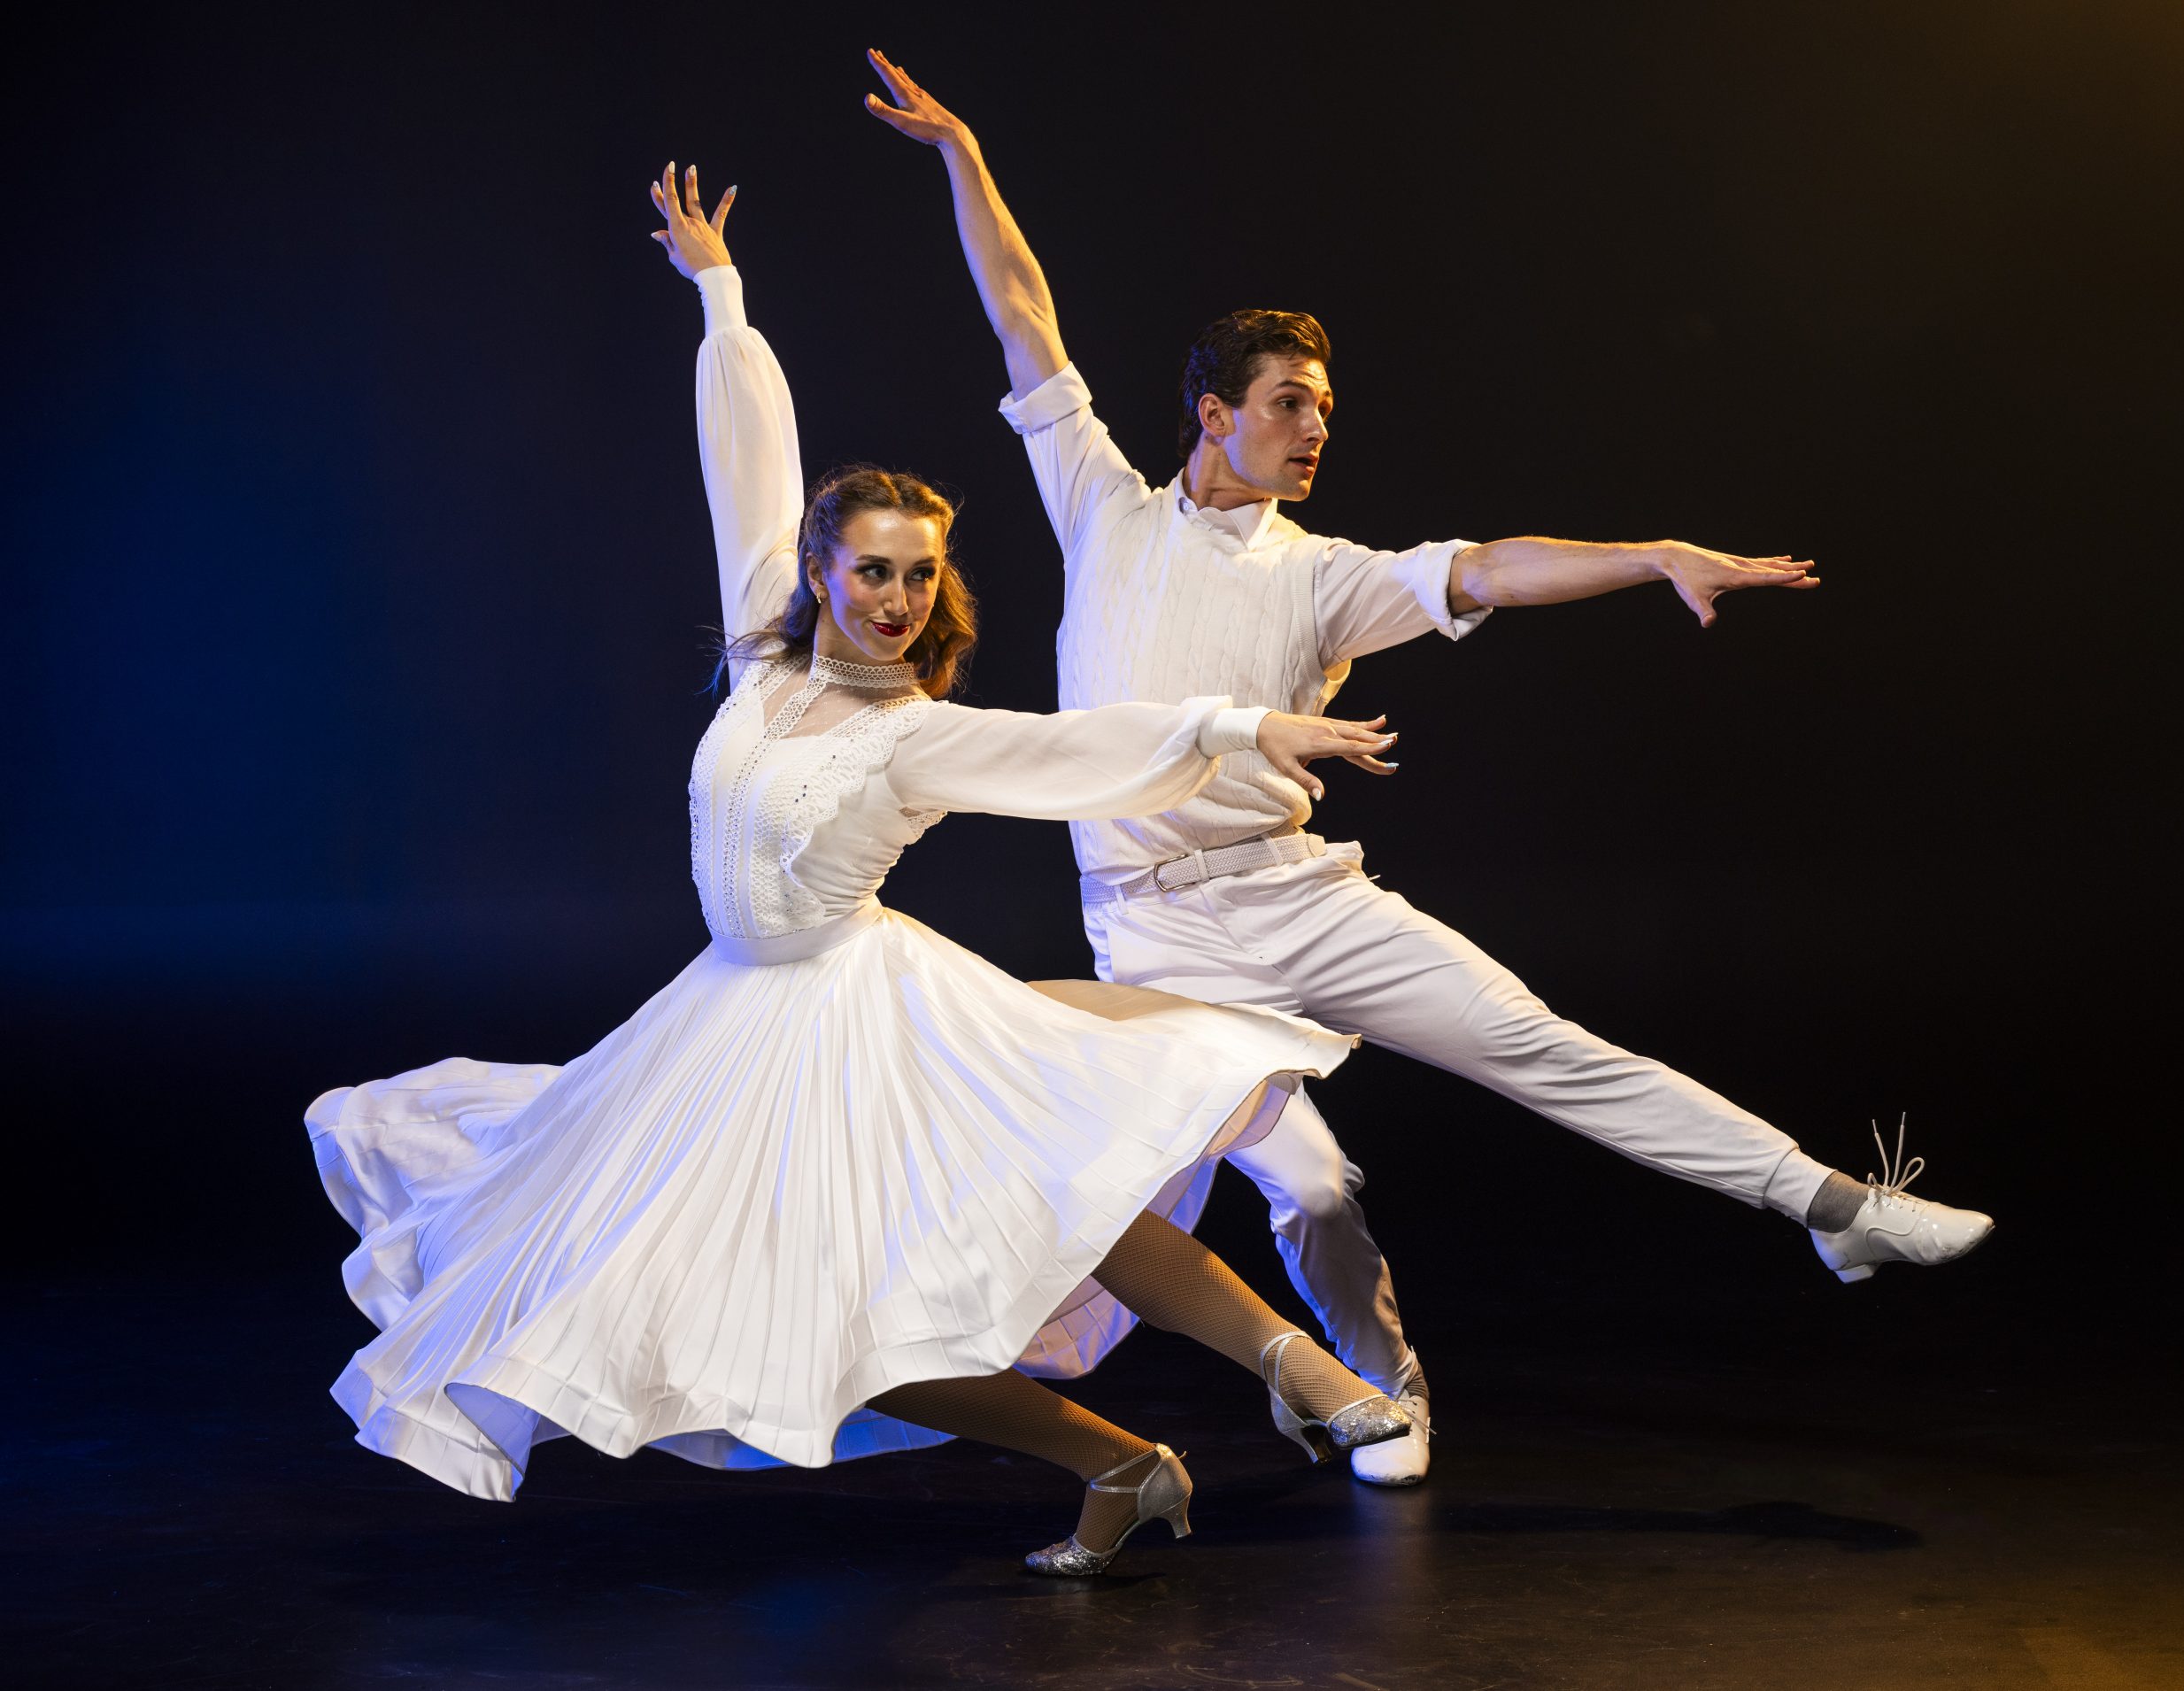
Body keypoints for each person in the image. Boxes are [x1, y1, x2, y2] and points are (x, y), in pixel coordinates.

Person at [862, 50, 1996, 1487]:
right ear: (1212, 412)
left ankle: (1830, 1202)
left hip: (1302, 897)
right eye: (1289, 401)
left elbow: (1492, 568)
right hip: (1159, 938)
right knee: (1316, 1182)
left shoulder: (1326, 574)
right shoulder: (1103, 508)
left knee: (1543, 1045)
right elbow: (1024, 317)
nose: (1315, 425)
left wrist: (1653, 554)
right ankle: (1381, 1393)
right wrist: (965, 154)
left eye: (1325, 407)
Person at [304, 164, 1417, 1578]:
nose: (899, 600)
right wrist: (720, 297)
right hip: (722, 1028)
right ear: (820, 570)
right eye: (875, 571)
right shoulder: (759, 653)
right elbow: (747, 461)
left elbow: (1080, 748)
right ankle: (1122, 1464)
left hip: (861, 1018)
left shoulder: (915, 732)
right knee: (832, 1333)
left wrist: (1242, 728)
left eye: (921, 575)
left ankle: (1299, 1369)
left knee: (1058, 1192)